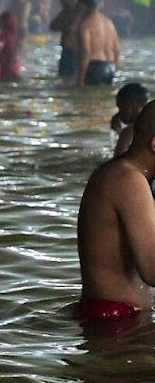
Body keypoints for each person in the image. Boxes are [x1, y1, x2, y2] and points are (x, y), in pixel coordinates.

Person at [76, 101, 155, 321]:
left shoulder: (120, 173)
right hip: (115, 323)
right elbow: (152, 269)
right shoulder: (129, 180)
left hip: (113, 316)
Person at [75, 0, 120, 87]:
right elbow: (117, 49)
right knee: (104, 100)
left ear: (82, 6)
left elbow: (85, 52)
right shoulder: (108, 22)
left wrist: (80, 79)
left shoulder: (85, 25)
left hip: (94, 67)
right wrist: (114, 68)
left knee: (88, 99)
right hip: (110, 66)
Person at [49, 0, 80, 81]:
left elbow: (71, 28)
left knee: (71, 80)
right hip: (66, 51)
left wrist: (64, 25)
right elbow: (52, 25)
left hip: (76, 52)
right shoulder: (65, 11)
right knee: (63, 80)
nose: (60, 1)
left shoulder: (79, 10)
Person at [111, 83, 149, 156]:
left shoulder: (130, 131)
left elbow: (117, 161)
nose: (120, 112)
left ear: (130, 104)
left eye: (120, 106)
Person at [0, 11, 21, 80]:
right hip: (15, 68)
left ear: (4, 23)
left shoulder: (3, 36)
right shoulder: (15, 36)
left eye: (0, 21)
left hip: (5, 69)